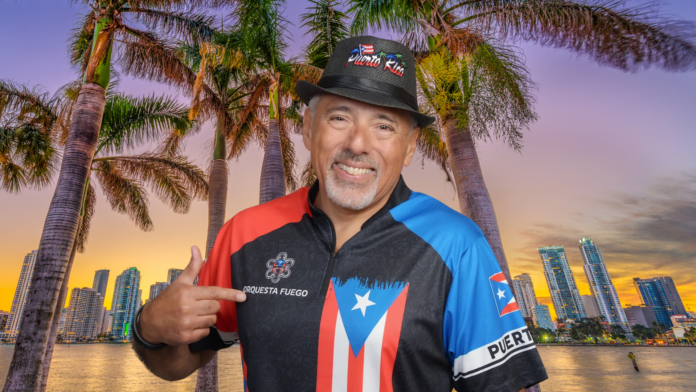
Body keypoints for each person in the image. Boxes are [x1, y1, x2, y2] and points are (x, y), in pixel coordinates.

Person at [133, 36, 548, 391]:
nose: (357, 143)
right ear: (310, 127)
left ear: (410, 146)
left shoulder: (457, 245)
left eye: (384, 126)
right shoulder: (245, 233)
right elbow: (181, 362)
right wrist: (149, 329)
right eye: (339, 117)